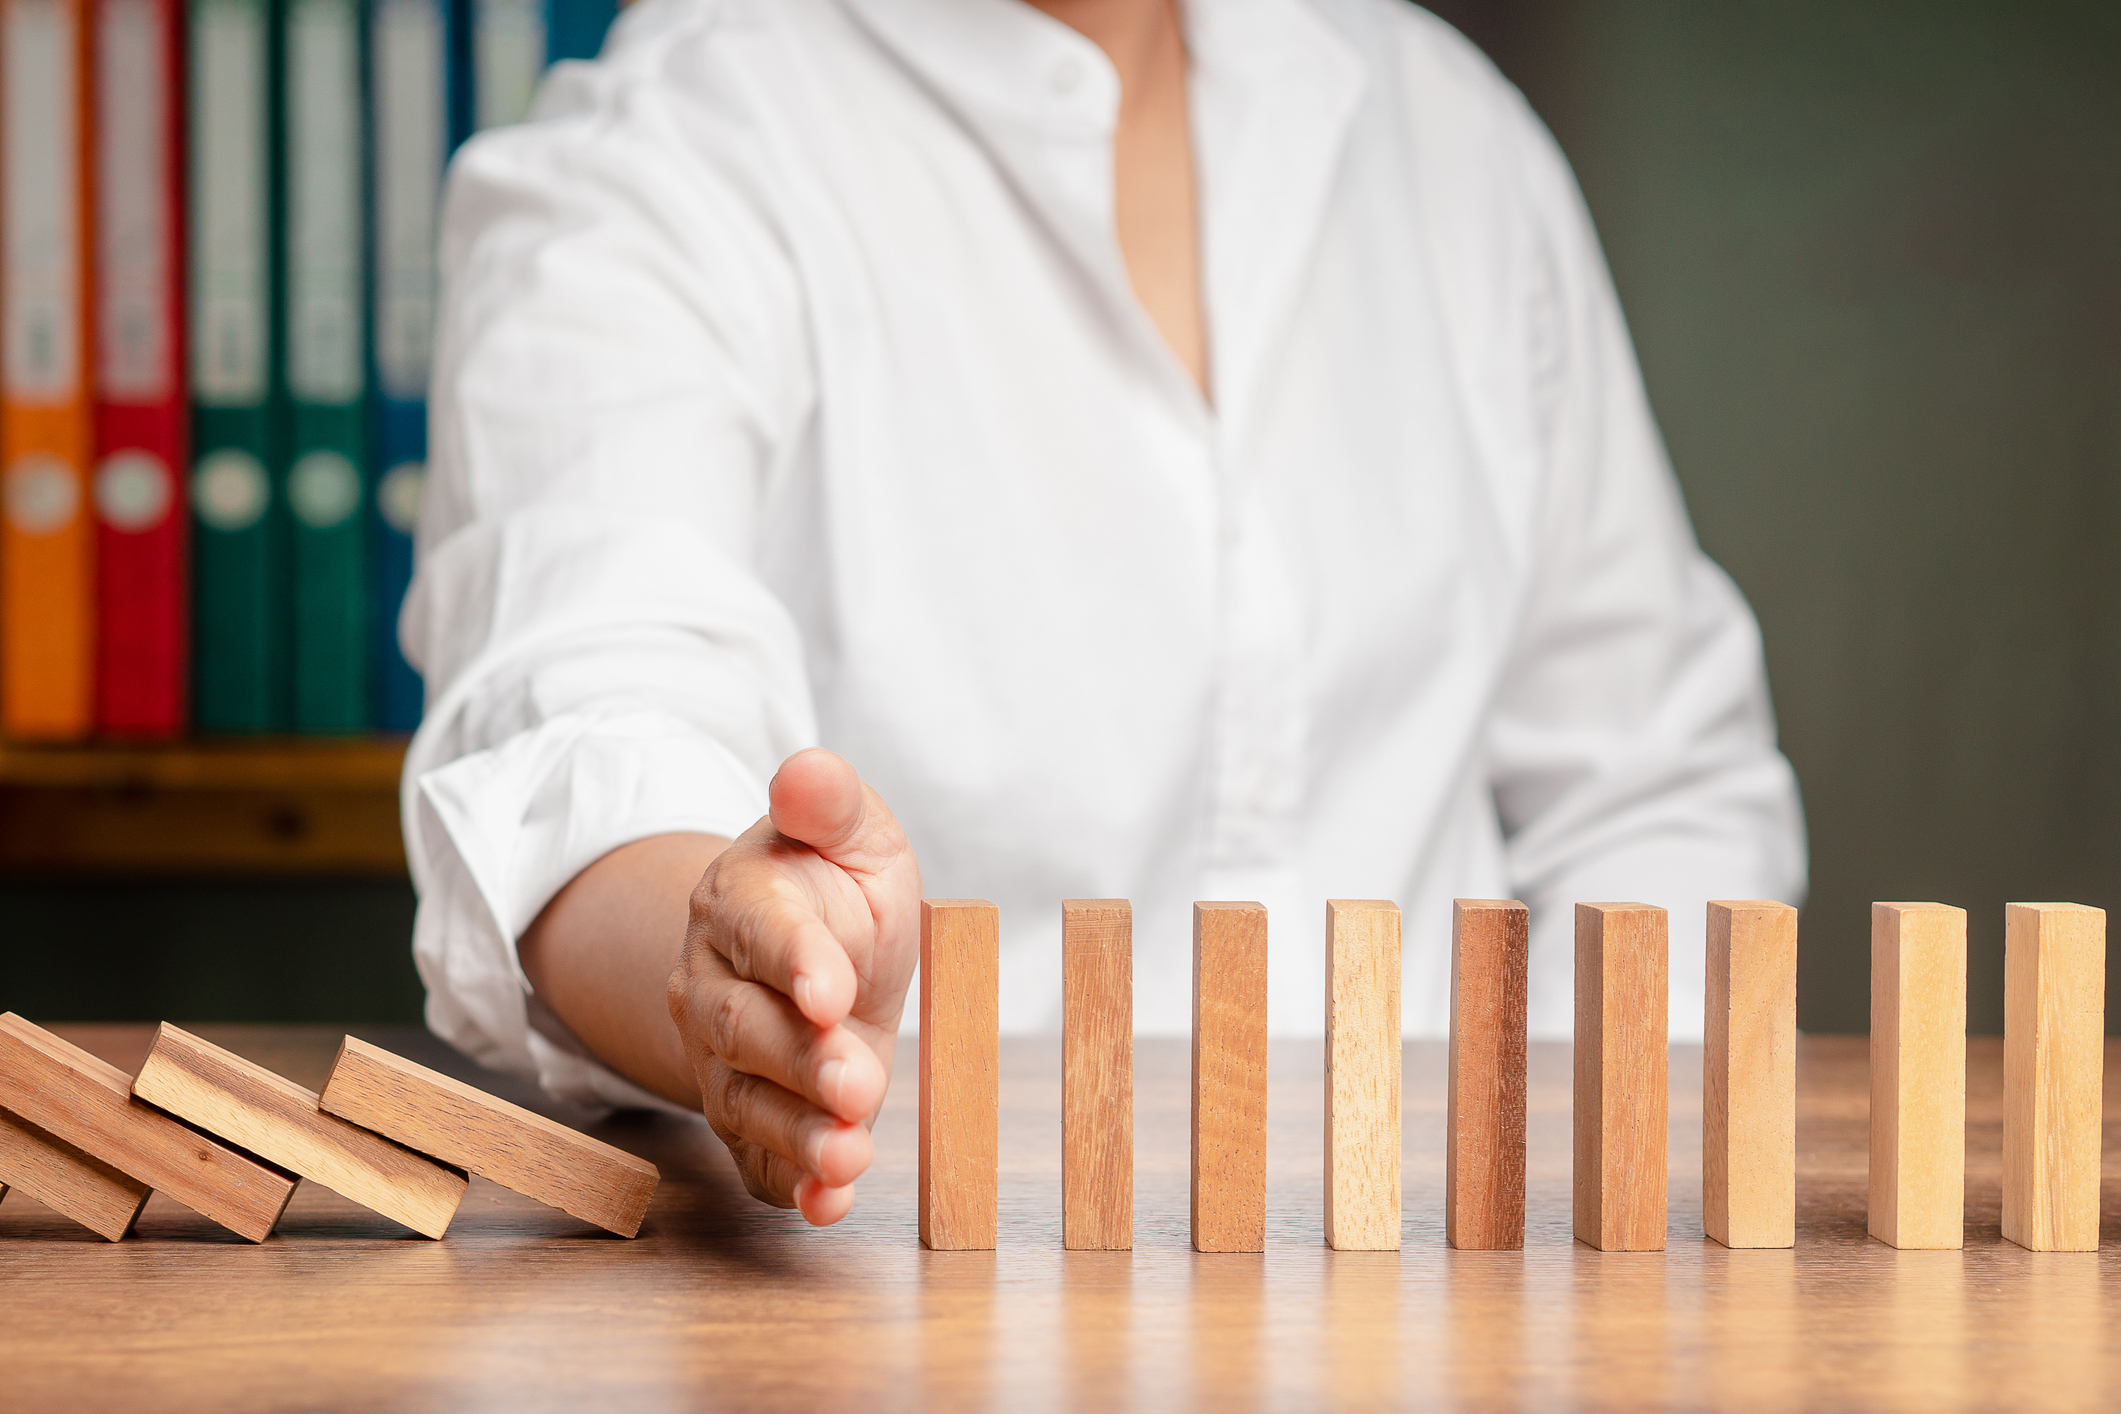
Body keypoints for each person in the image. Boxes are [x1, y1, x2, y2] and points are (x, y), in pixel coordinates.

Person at [401, 0, 1806, 1226]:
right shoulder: (654, 157)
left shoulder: (1448, 135)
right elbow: (582, 729)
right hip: (918, 1318)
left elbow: (1655, 786)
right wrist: (749, 964)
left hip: (1466, 1311)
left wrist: (1552, 1232)